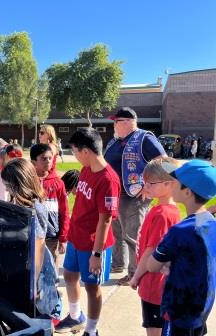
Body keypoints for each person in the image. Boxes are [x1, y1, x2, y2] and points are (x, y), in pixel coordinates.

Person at [56, 128, 120, 336]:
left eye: (74, 151)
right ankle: (75, 316)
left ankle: (91, 330)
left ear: (85, 151)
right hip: (76, 237)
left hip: (94, 244)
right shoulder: (85, 169)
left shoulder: (109, 180)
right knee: (69, 275)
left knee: (92, 287)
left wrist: (97, 254)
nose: (74, 155)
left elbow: (106, 219)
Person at [147, 160, 216, 336]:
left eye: (176, 181)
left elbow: (152, 265)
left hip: (179, 311)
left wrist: (167, 263)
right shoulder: (211, 223)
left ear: (187, 192)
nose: (171, 183)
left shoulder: (179, 230)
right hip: (201, 308)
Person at [104, 107, 166, 285]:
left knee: (132, 235)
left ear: (127, 122)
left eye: (116, 121)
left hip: (134, 195)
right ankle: (118, 264)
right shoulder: (116, 141)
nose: (114, 125)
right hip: (115, 194)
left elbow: (162, 160)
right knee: (116, 232)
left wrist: (148, 185)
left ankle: (134, 273)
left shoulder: (144, 138)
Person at [1, 158, 62, 325]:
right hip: (25, 264)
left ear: (19, 184)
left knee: (40, 313)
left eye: (8, 185)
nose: (6, 188)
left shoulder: (36, 208)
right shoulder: (19, 202)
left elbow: (39, 247)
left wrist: (33, 283)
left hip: (38, 269)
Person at [128, 158, 181, 336]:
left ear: (169, 184)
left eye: (150, 183)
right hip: (156, 283)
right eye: (145, 182)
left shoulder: (163, 214)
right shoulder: (165, 210)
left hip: (154, 285)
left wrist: (136, 276)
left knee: (154, 330)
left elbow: (152, 252)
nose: (146, 186)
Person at [30, 144, 70, 268]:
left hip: (51, 236)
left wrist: (63, 238)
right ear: (33, 162)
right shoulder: (28, 182)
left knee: (50, 267)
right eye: (43, 158)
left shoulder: (58, 183)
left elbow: (64, 211)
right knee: (33, 268)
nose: (48, 161)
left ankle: (52, 287)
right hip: (31, 235)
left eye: (50, 158)